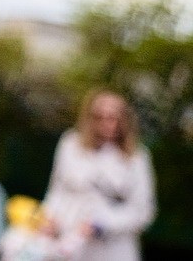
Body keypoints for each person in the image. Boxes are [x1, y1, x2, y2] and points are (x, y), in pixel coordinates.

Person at [40, 90, 156, 261]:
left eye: (113, 117)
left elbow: (143, 211)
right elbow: (57, 189)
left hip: (113, 248)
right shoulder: (71, 144)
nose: (107, 123)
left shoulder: (137, 157)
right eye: (99, 117)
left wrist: (103, 224)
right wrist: (49, 217)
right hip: (69, 241)